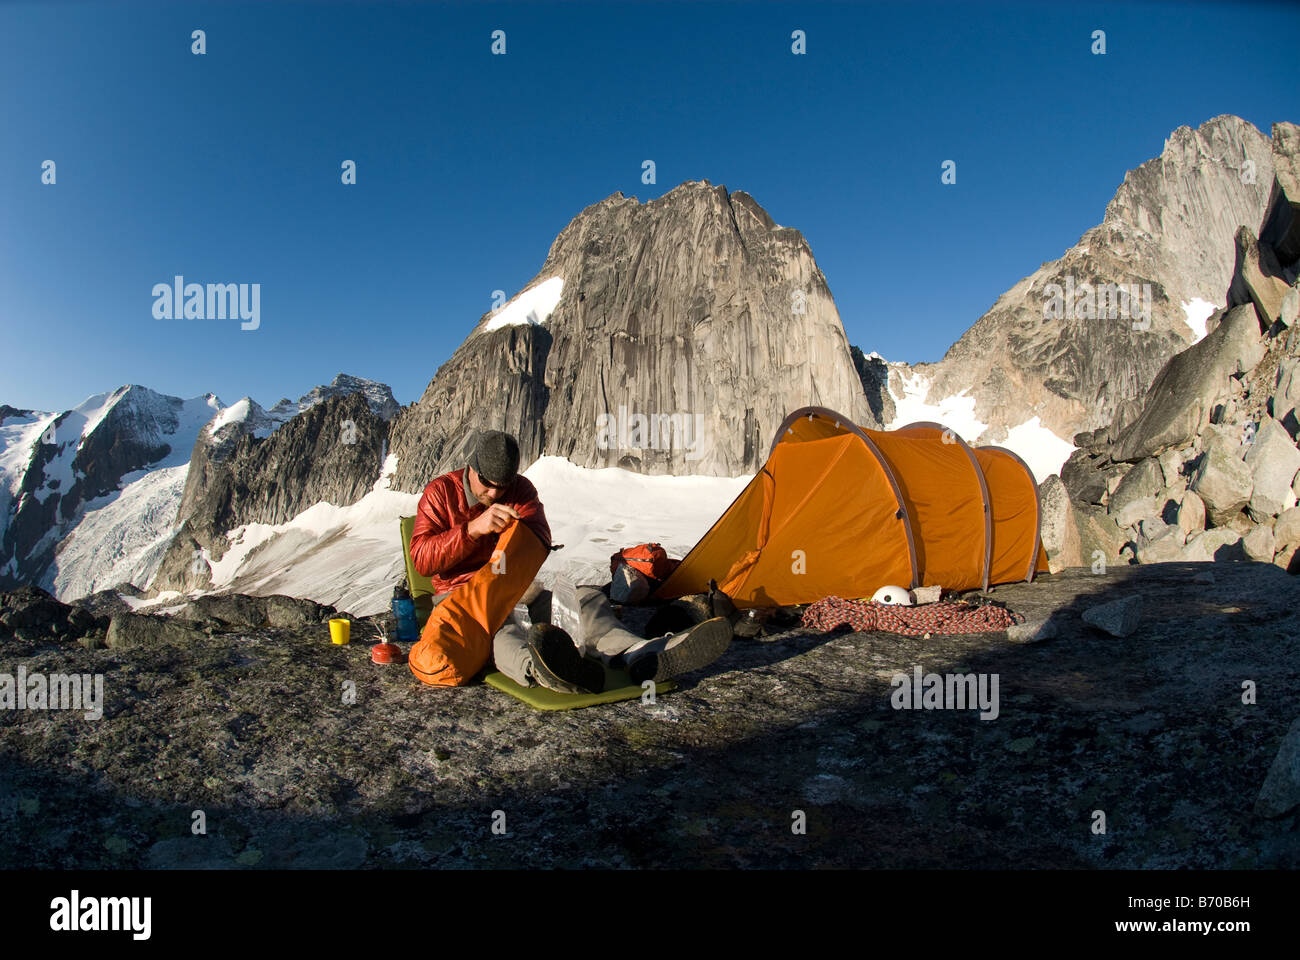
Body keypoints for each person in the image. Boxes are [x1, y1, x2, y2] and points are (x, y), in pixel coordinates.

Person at [410, 429, 732, 694]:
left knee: (582, 603)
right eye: (487, 484)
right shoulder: (440, 494)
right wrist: (471, 530)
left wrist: (520, 533)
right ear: (472, 467)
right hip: (463, 599)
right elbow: (422, 559)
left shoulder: (519, 490)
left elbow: (539, 535)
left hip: (514, 591)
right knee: (499, 630)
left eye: (502, 486)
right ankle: (542, 668)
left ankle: (641, 653)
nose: (494, 494)